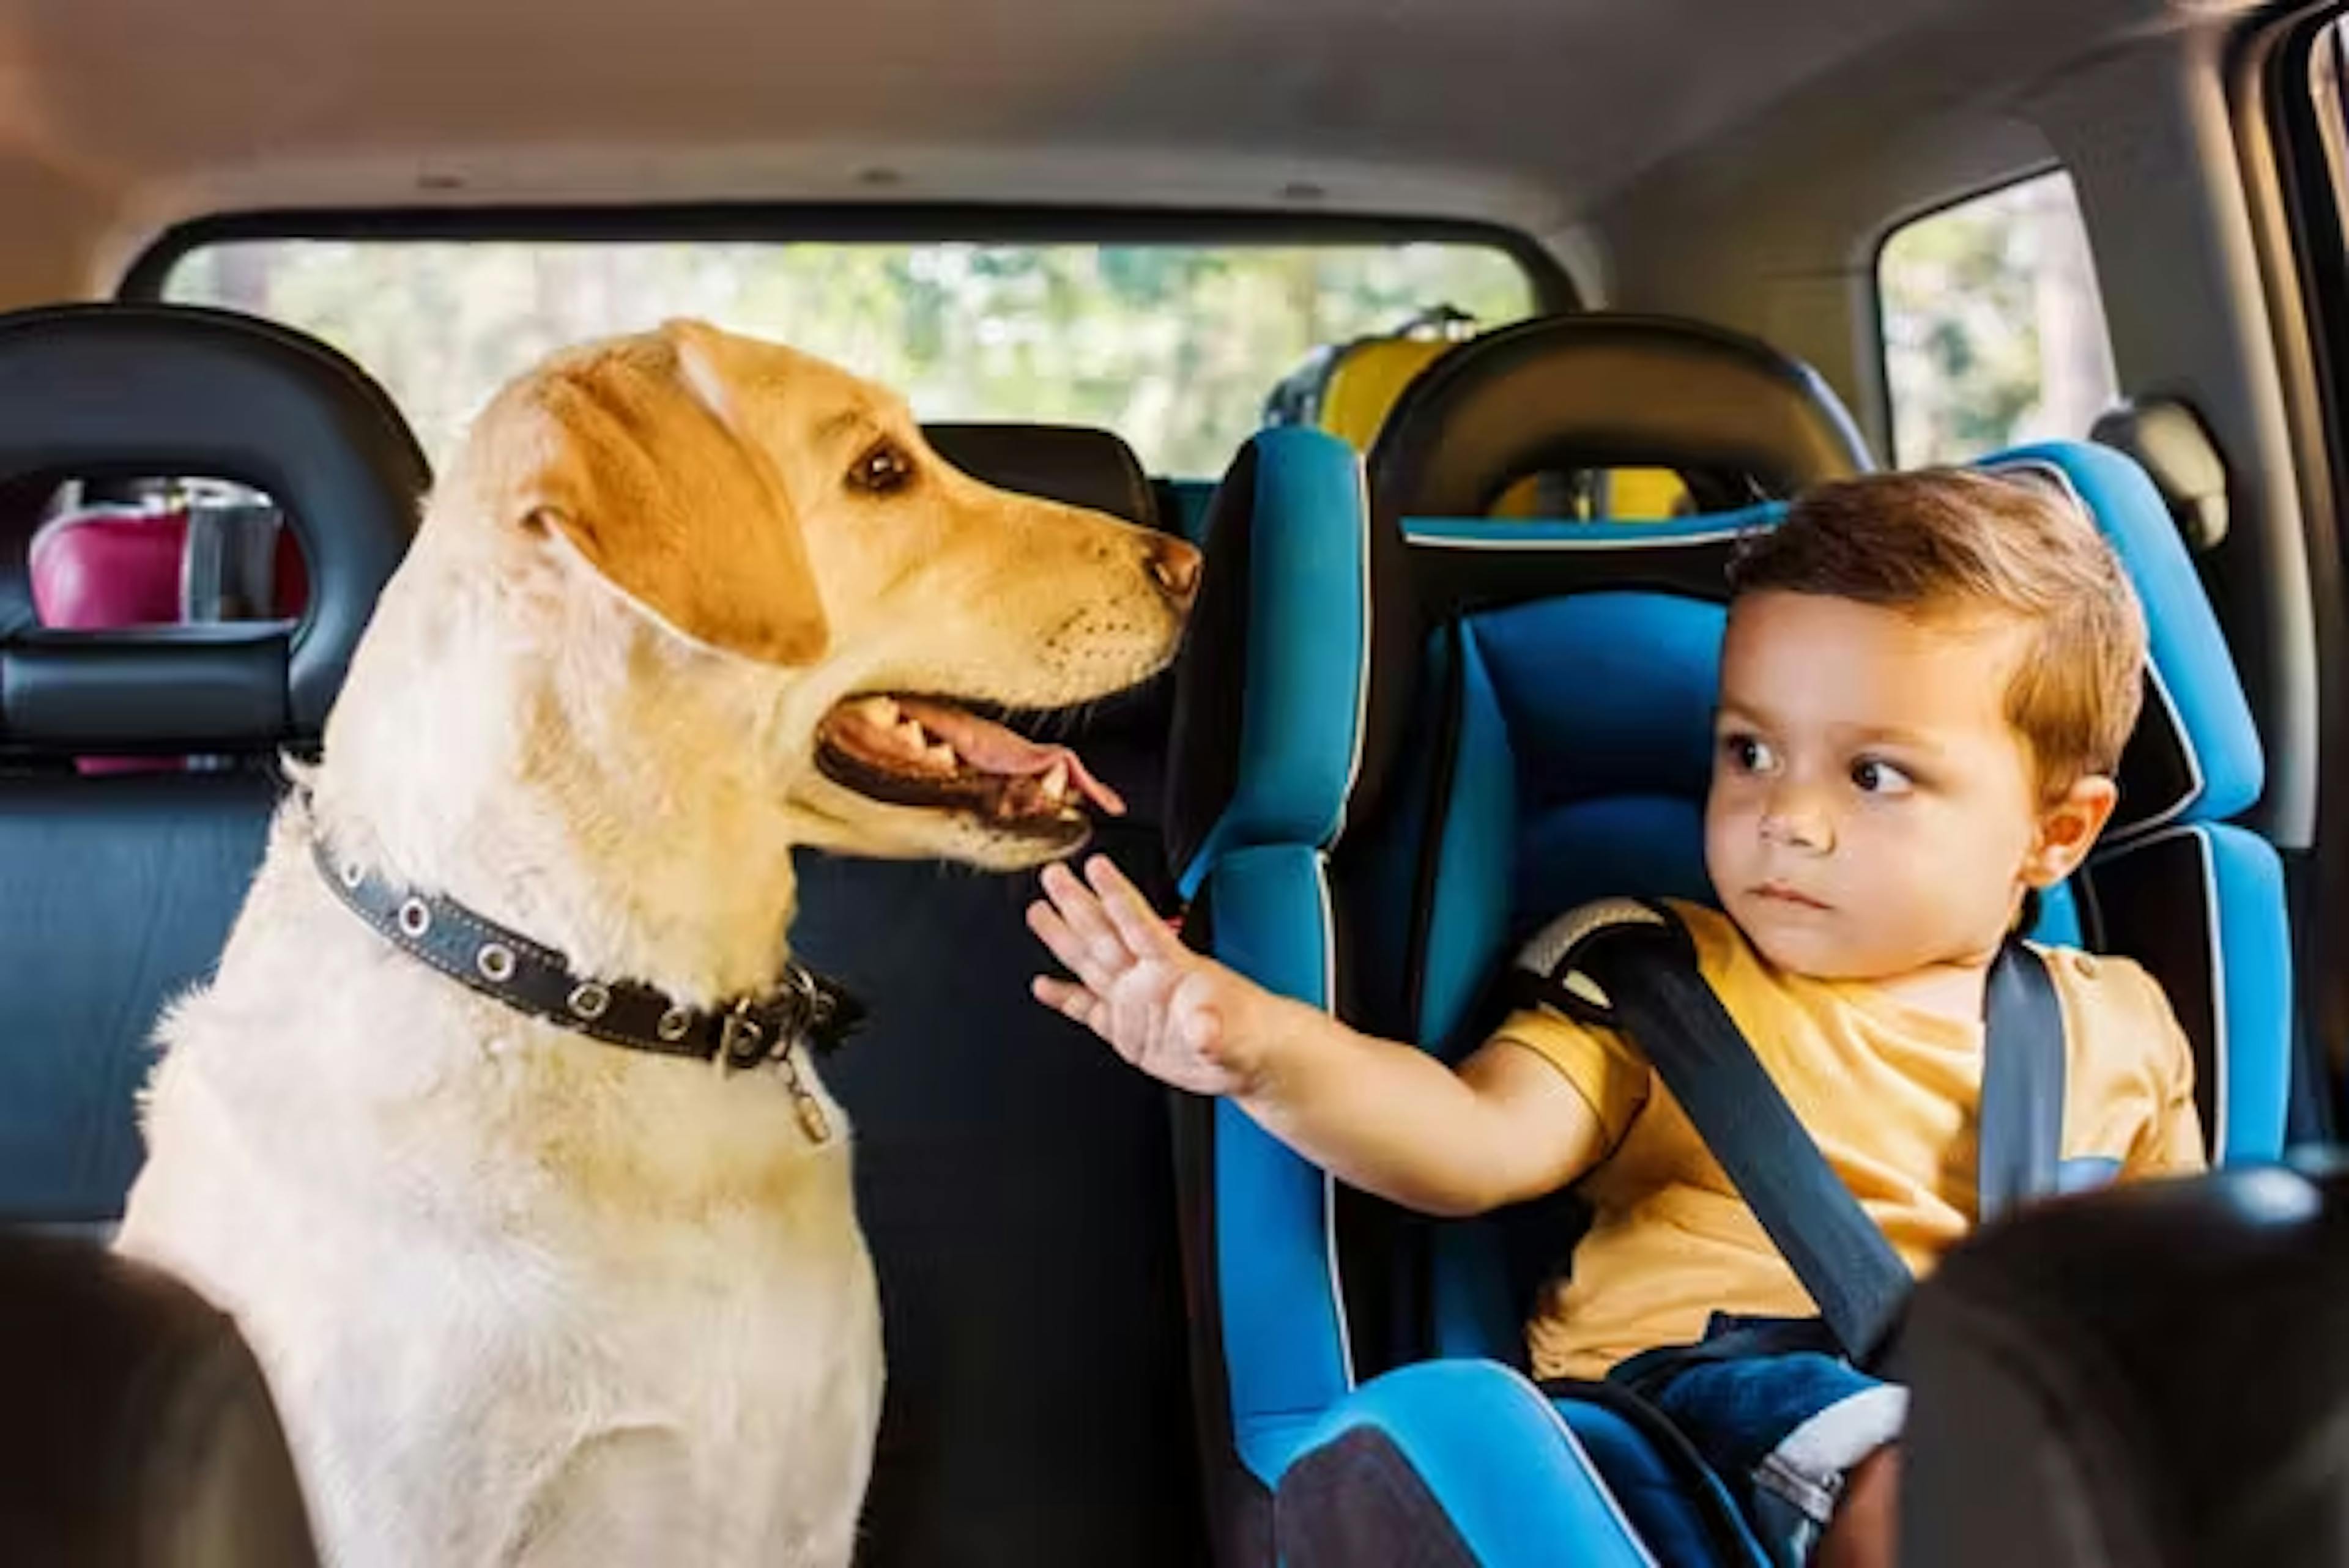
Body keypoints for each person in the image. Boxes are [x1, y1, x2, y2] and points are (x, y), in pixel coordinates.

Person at [1027, 469, 2206, 1567]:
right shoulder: (1649, 974)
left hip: (2014, 1434)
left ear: (2058, 833)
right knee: (1928, 1479)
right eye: (1749, 751)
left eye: (1874, 776)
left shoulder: (2118, 1027)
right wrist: (1262, 1048)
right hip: (1697, 1425)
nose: (1786, 817)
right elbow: (1468, 1143)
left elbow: (2177, 1303)